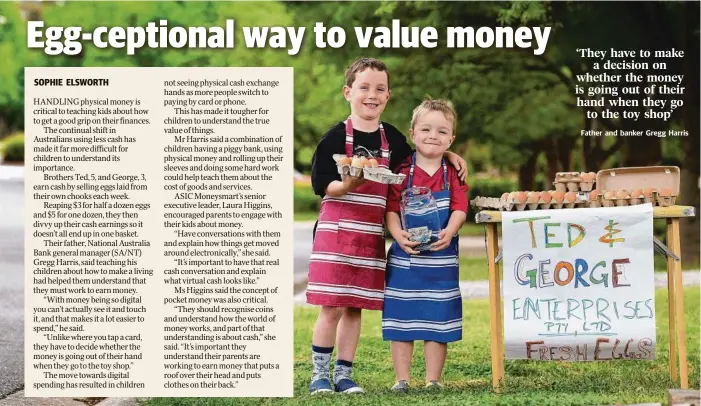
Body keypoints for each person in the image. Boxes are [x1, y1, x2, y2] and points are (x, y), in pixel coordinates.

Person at [306, 58, 467, 394]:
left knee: (354, 306)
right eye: (364, 87)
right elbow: (323, 185)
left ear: (388, 96)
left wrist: (450, 156)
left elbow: (423, 154)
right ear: (348, 92)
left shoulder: (391, 138)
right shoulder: (335, 138)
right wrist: (348, 184)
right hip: (336, 232)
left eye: (379, 89)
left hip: (369, 234)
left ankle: (344, 374)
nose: (372, 94)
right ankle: (319, 373)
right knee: (332, 305)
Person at [382, 97, 468, 392]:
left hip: (442, 260)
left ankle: (434, 379)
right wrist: (397, 234)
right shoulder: (401, 171)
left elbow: (460, 206)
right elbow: (391, 208)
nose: (434, 136)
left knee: (438, 321)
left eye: (442, 132)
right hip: (406, 257)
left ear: (451, 139)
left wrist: (450, 230)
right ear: (413, 134)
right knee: (402, 320)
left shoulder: (453, 171)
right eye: (427, 130)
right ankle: (401, 379)